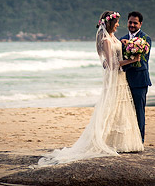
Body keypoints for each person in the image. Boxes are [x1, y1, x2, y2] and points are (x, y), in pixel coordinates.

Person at [38, 11, 144, 165]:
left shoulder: (114, 38)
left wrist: (129, 50)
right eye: (116, 22)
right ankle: (107, 141)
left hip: (121, 78)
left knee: (119, 108)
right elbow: (112, 65)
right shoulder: (107, 41)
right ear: (109, 23)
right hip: (114, 78)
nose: (119, 25)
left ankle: (120, 142)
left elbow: (110, 61)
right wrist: (132, 60)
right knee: (111, 107)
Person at [120, 11, 152, 142]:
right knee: (126, 113)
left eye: (135, 23)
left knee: (139, 113)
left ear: (140, 24)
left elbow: (143, 61)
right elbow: (120, 58)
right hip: (124, 81)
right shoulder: (121, 39)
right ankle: (129, 140)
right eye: (130, 22)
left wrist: (124, 65)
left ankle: (140, 141)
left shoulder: (146, 39)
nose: (132, 25)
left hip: (140, 82)